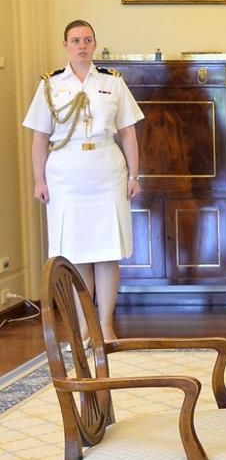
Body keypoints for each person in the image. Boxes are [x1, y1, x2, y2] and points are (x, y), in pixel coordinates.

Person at [24, 19, 143, 344]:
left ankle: (105, 325)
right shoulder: (50, 85)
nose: (82, 45)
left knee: (107, 253)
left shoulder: (112, 83)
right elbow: (39, 138)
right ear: (66, 45)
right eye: (75, 40)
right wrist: (39, 179)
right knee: (76, 254)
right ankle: (85, 326)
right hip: (66, 175)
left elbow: (129, 132)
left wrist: (135, 175)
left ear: (94, 44)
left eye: (87, 40)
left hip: (106, 170)